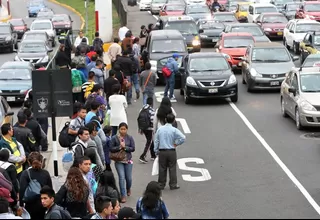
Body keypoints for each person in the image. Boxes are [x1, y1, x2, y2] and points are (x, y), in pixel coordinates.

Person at [154, 114, 185, 190]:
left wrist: (156, 150)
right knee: (172, 168)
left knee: (162, 168)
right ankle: (173, 184)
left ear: (165, 119)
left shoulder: (160, 129)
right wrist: (176, 143)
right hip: (171, 151)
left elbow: (156, 141)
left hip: (162, 151)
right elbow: (183, 138)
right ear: (173, 120)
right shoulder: (174, 130)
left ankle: (161, 184)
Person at [19, 152, 52, 219]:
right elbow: (50, 189)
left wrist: (21, 205)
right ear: (41, 161)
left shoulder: (25, 174)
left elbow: (22, 190)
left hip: (30, 204)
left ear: (29, 162)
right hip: (43, 204)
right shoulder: (45, 173)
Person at [110, 122, 135, 203]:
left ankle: (128, 188)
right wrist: (119, 147)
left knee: (129, 178)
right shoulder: (114, 138)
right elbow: (111, 148)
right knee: (121, 177)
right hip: (119, 160)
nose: (123, 131)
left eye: (124, 129)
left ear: (127, 129)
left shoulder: (130, 138)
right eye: (121, 129)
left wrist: (125, 147)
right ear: (119, 129)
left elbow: (133, 148)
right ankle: (123, 195)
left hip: (128, 160)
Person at [138, 97, 156, 163]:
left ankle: (153, 155)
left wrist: (140, 128)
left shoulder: (142, 109)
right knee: (149, 142)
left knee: (150, 141)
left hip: (143, 128)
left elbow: (139, 118)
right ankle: (143, 156)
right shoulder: (151, 110)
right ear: (152, 103)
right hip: (149, 128)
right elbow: (152, 120)